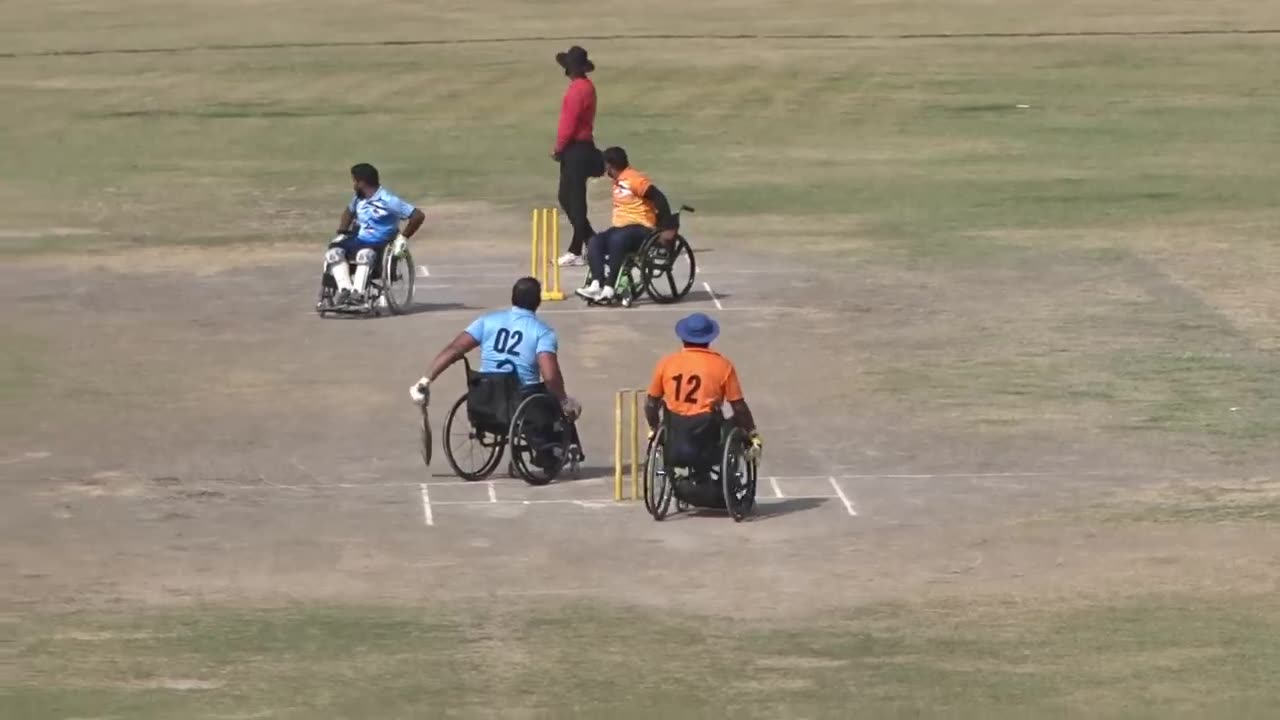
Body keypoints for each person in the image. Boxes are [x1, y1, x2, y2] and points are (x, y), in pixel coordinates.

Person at [410, 277, 584, 463]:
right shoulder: (542, 332)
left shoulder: (487, 321)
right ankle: (556, 451)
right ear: (538, 302)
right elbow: (550, 376)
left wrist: (425, 381)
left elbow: (454, 349)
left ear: (512, 298)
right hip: (521, 403)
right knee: (556, 397)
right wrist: (565, 401)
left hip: (484, 401)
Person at [644, 313, 762, 474]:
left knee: (667, 415)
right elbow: (739, 406)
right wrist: (751, 432)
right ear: (709, 339)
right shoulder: (723, 366)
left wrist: (654, 427)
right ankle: (732, 472)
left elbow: (651, 404)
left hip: (675, 432)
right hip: (707, 435)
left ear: (683, 337)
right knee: (735, 421)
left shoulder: (667, 363)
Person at [575, 146, 677, 303]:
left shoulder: (634, 178)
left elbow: (659, 198)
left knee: (618, 239)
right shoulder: (618, 181)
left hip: (641, 228)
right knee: (594, 241)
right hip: (620, 229)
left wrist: (666, 226)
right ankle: (596, 284)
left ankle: (609, 287)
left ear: (609, 165)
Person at [323, 163, 425, 308]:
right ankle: (345, 290)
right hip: (359, 240)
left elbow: (418, 216)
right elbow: (348, 212)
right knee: (333, 253)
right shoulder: (359, 198)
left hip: (381, 243)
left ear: (362, 183)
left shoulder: (389, 201)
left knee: (364, 255)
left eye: (354, 181)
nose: (353, 184)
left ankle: (357, 294)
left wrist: (403, 238)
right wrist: (342, 232)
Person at [551, 45, 603, 267]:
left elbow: (568, 124)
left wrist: (559, 148)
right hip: (581, 147)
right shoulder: (587, 87)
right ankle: (591, 241)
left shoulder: (577, 90)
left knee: (574, 200)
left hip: (575, 149)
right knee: (567, 197)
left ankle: (578, 248)